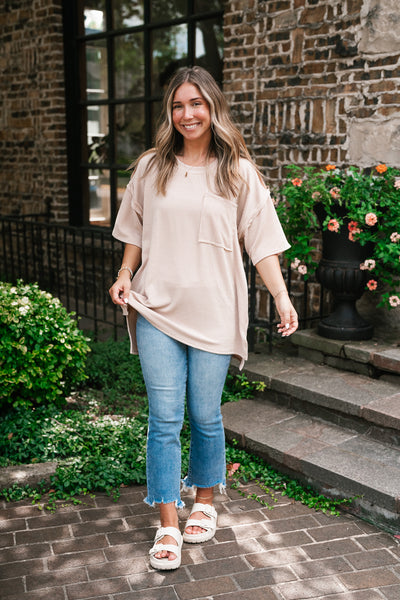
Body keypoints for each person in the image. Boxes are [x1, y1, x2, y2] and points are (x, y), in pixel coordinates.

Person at [109, 66, 298, 571]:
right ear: (170, 113)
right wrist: (126, 273)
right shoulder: (151, 168)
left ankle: (206, 502)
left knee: (205, 415)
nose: (186, 114)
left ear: (212, 108)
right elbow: (135, 232)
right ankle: (168, 523)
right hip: (156, 308)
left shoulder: (238, 171)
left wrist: (281, 297)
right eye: (177, 105)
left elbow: (262, 245)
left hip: (216, 311)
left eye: (196, 103)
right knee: (165, 418)